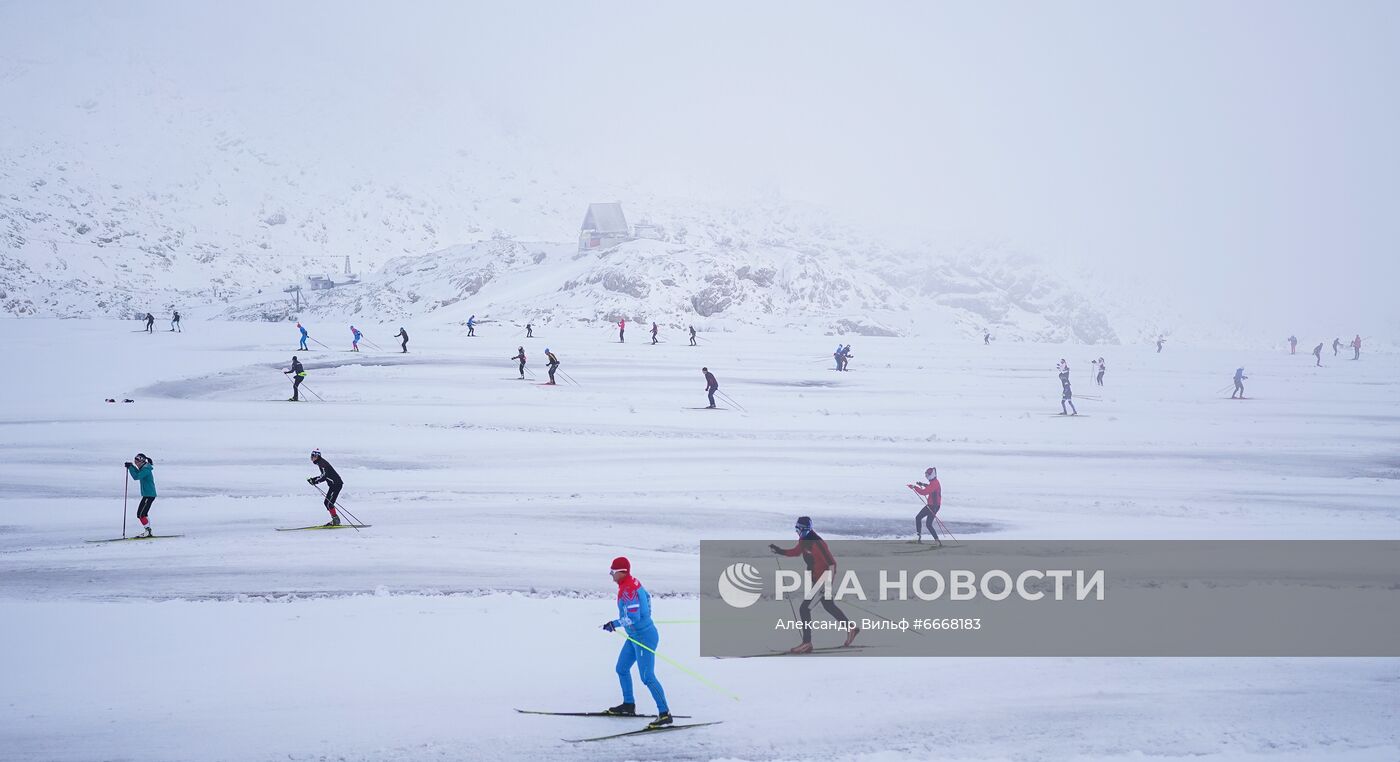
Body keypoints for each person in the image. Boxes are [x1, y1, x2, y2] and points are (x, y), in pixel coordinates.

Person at [768, 517, 858, 653]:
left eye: (803, 530)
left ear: (808, 529)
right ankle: (850, 628)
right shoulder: (804, 541)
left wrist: (827, 584)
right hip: (817, 580)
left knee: (804, 609)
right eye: (798, 529)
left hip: (823, 581)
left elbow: (832, 564)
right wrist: (779, 551)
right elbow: (796, 552)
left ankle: (807, 643)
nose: (800, 532)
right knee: (828, 606)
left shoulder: (817, 543)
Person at [601, 556, 672, 728]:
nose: (610, 575)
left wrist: (614, 624)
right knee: (621, 668)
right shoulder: (629, 582)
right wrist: (645, 619)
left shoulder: (629, 588)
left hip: (644, 638)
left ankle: (665, 714)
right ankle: (628, 705)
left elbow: (633, 617)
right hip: (634, 636)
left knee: (647, 677)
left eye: (612, 571)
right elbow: (647, 598)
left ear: (621, 572)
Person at [307, 449, 343, 526]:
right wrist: (313, 480)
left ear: (317, 456)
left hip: (336, 485)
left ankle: (336, 521)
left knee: (329, 503)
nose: (312, 457)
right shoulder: (321, 463)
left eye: (313, 456)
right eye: (311, 456)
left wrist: (314, 481)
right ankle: (335, 520)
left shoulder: (322, 464)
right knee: (327, 503)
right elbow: (324, 476)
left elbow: (324, 476)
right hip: (333, 485)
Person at [125, 453, 157, 538]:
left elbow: (136, 476)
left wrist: (131, 468)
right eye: (135, 462)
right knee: (143, 514)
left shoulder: (146, 470)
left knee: (141, 514)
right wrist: (131, 466)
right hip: (147, 495)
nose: (136, 464)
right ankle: (148, 531)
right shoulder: (144, 468)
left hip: (149, 495)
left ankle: (148, 531)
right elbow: (138, 473)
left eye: (137, 462)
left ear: (142, 461)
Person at [907, 467, 942, 546]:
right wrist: (923, 484)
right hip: (931, 505)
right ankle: (918, 538)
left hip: (934, 506)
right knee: (918, 518)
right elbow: (929, 487)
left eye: (927, 474)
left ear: (931, 475)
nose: (926, 476)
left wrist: (914, 487)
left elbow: (924, 492)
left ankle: (937, 541)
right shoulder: (934, 481)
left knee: (928, 524)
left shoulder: (934, 483)